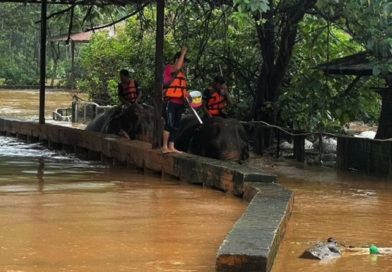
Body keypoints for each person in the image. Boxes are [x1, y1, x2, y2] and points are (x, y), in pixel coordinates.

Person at [161, 47, 190, 154]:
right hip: (171, 102)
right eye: (183, 61)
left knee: (176, 125)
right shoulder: (170, 68)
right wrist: (183, 53)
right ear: (177, 60)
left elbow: (184, 90)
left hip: (180, 102)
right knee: (169, 123)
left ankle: (171, 146)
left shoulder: (182, 75)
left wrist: (188, 98)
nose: (184, 64)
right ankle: (164, 146)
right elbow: (177, 66)